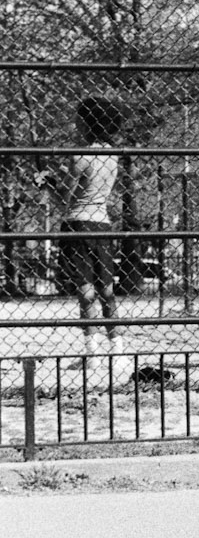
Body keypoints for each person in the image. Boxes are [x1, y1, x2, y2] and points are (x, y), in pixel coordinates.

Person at [38, 98, 124, 354]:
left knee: (85, 291)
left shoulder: (80, 155)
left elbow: (64, 198)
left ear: (88, 123)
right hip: (102, 224)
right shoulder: (112, 155)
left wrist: (47, 183)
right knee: (107, 290)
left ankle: (92, 352)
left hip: (77, 223)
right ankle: (117, 348)